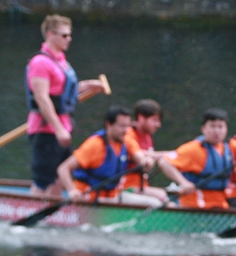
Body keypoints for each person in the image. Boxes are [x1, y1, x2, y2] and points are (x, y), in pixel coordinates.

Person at [26, 15, 107, 196]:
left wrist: (89, 85)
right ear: (50, 35)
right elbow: (42, 98)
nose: (68, 39)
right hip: (46, 130)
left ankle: (51, 219)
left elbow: (64, 92)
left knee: (59, 178)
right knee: (44, 180)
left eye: (69, 35)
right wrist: (58, 129)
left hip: (62, 127)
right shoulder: (40, 63)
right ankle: (30, 214)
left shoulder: (61, 61)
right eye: (64, 35)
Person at [56, 106, 163, 207]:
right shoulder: (95, 145)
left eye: (127, 126)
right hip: (89, 197)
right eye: (121, 126)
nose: (126, 130)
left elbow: (139, 156)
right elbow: (63, 168)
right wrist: (71, 191)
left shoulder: (127, 141)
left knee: (155, 203)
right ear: (109, 124)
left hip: (113, 196)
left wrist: (146, 162)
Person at [157, 109, 235, 209]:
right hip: (196, 202)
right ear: (203, 128)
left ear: (226, 128)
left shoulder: (229, 148)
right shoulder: (193, 149)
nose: (217, 131)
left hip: (221, 202)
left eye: (220, 127)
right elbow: (164, 162)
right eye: (212, 126)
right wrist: (183, 182)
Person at [120, 99, 172, 204]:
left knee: (169, 197)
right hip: (126, 186)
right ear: (141, 118)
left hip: (141, 186)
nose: (158, 125)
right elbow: (138, 153)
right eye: (155, 120)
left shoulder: (147, 137)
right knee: (161, 196)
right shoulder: (128, 133)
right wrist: (170, 154)